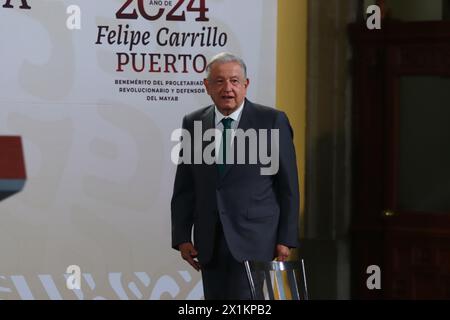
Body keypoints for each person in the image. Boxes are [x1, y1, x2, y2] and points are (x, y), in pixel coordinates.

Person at [171, 52, 300, 300]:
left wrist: (286, 237)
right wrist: (182, 236)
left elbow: (288, 186)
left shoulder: (271, 121)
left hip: (255, 238)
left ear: (246, 85)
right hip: (209, 240)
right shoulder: (193, 122)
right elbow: (185, 186)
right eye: (219, 81)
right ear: (207, 86)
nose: (227, 88)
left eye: (234, 81)